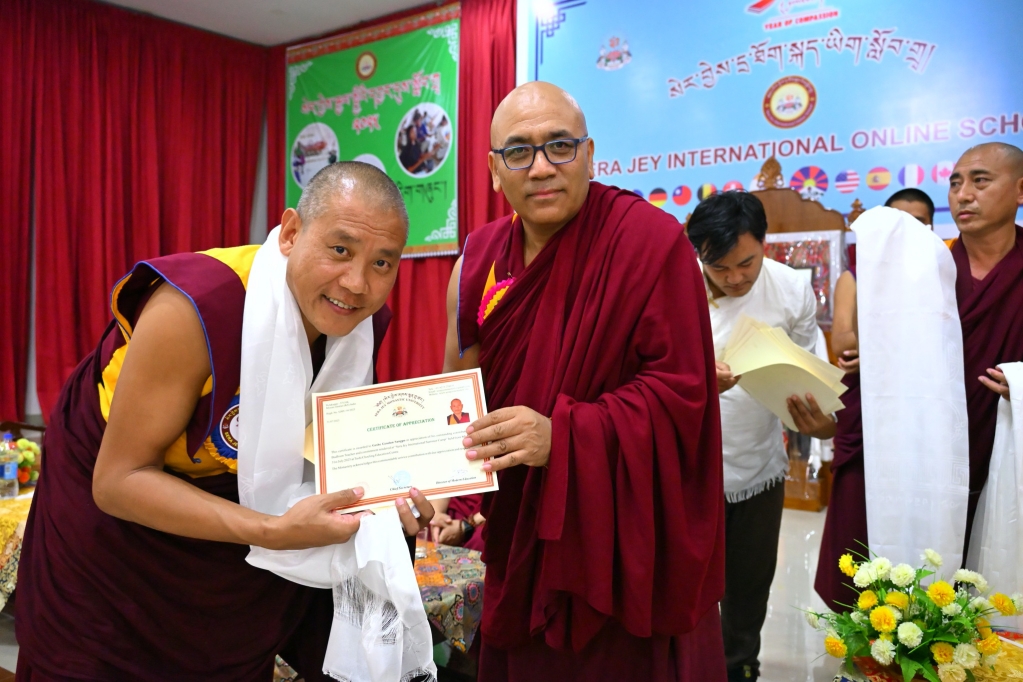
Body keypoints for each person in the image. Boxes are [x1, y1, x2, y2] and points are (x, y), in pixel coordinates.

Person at [15, 163, 435, 680]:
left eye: (382, 263)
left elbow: (323, 453)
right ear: (291, 233)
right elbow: (118, 480)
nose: (356, 284)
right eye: (340, 250)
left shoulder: (358, 326)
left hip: (227, 562)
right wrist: (272, 531)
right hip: (116, 554)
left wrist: (387, 501)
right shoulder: (196, 310)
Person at [444, 81, 727, 681]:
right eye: (518, 151)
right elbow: (456, 392)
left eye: (559, 146)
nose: (541, 167)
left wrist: (564, 436)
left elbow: (682, 394)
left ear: (590, 154)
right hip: (519, 528)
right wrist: (432, 490)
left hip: (616, 539)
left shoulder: (651, 243)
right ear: (493, 171)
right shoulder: (478, 260)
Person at [686, 191, 835, 682]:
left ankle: (741, 668)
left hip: (760, 467)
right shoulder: (677, 286)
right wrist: (697, 381)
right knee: (687, 588)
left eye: (746, 263)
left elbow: (810, 369)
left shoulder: (791, 289)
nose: (734, 278)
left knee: (749, 586)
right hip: (688, 470)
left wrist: (816, 417)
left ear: (764, 244)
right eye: (718, 268)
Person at [815, 187, 937, 610]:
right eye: (898, 222)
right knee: (857, 518)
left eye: (919, 223)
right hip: (868, 419)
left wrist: (881, 350)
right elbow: (845, 345)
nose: (907, 231)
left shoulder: (942, 275)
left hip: (922, 419)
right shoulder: (856, 276)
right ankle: (853, 619)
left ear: (932, 229)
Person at [948, 142, 1023, 548]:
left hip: (1014, 452)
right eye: (955, 183)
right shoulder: (930, 268)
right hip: (935, 455)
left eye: (980, 181)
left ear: (1020, 190)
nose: (963, 195)